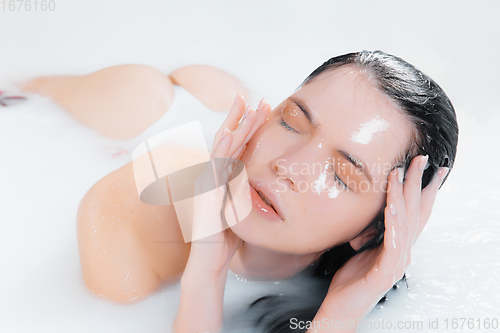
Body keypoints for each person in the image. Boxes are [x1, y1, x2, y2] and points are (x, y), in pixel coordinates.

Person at [23, 50, 458, 333]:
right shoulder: (126, 224)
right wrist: (204, 270)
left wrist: (340, 315)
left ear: (373, 229)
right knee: (140, 90)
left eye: (342, 175)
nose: (287, 166)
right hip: (143, 124)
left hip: (210, 117)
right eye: (291, 121)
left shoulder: (359, 281)